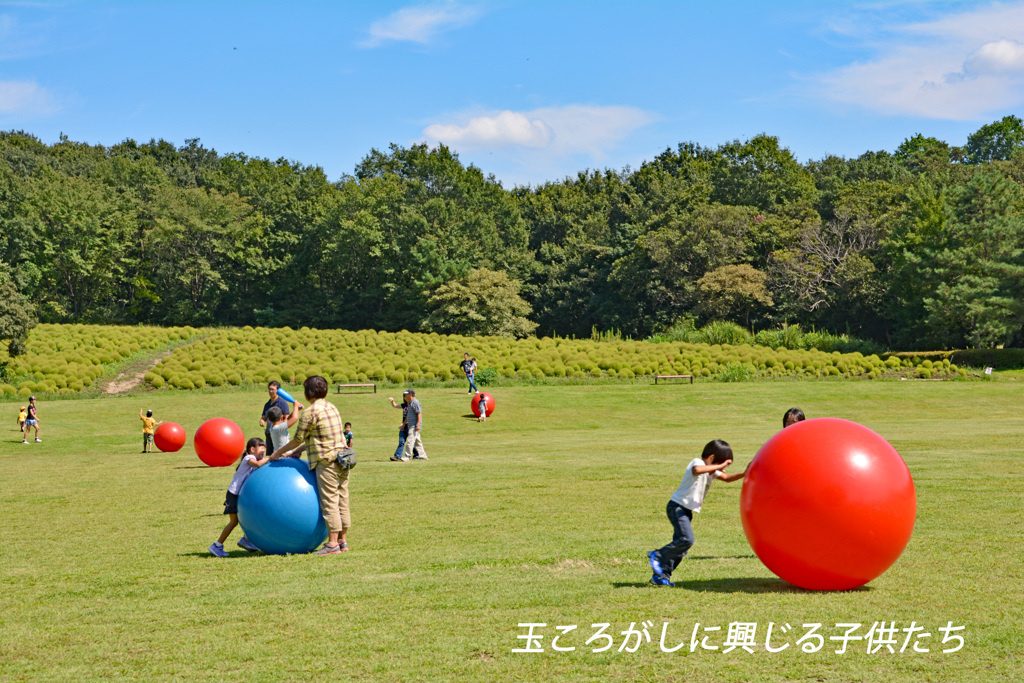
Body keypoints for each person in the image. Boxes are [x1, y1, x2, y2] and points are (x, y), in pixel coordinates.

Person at [269, 376, 351, 555]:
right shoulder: (332, 407)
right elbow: (323, 437)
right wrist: (299, 450)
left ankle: (332, 544)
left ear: (309, 393)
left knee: (329, 502)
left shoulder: (310, 412)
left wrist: (276, 454)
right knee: (342, 500)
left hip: (327, 462)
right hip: (343, 460)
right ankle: (343, 541)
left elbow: (297, 438)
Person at [647, 439, 744, 586]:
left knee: (681, 547)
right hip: (677, 507)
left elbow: (727, 478)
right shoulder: (697, 462)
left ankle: (661, 576)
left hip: (686, 511)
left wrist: (745, 473)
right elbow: (697, 470)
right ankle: (658, 555)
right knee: (687, 539)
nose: (722, 468)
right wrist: (720, 466)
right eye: (720, 463)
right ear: (712, 458)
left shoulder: (711, 471)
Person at [209, 437, 269, 557]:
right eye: (261, 450)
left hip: (241, 495)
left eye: (265, 451)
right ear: (252, 449)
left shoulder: (254, 458)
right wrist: (271, 457)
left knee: (250, 515)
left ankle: (246, 540)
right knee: (234, 522)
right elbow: (258, 464)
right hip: (234, 494)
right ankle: (217, 545)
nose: (263, 452)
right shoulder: (249, 458)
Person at [259, 381, 291, 450]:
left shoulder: (283, 403)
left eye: (272, 389)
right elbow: (263, 417)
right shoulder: (267, 404)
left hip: (279, 434)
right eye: (269, 389)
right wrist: (262, 421)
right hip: (269, 434)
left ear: (278, 391)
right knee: (271, 456)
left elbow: (287, 418)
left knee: (280, 455)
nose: (270, 391)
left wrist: (282, 428)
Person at [399, 388, 427, 461]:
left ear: (410, 395)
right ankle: (423, 456)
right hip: (411, 425)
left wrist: (417, 425)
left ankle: (407, 456)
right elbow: (409, 415)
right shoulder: (410, 403)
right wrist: (404, 424)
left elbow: (419, 414)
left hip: (414, 426)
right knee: (417, 442)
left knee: (410, 441)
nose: (404, 396)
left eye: (406, 394)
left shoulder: (415, 402)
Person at [388, 392, 411, 461]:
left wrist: (404, 424)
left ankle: (417, 455)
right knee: (401, 441)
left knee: (412, 442)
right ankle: (397, 456)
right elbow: (395, 405)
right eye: (404, 396)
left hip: (409, 426)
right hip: (403, 427)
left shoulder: (412, 405)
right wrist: (392, 401)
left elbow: (409, 416)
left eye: (405, 396)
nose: (405, 398)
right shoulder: (404, 405)